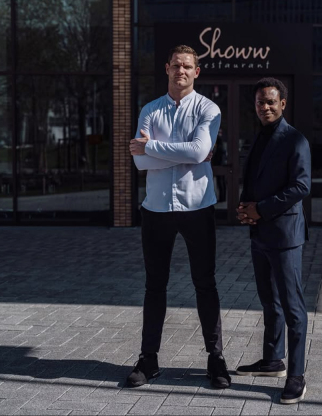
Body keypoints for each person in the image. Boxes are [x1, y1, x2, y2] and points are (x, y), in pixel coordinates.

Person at [127, 45, 230, 389]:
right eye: (176, 65)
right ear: (166, 68)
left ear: (196, 72)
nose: (181, 71)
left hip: (198, 208)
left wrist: (152, 148)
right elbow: (140, 163)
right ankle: (149, 360)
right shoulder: (150, 110)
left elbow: (199, 150)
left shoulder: (208, 108)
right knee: (154, 286)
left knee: (206, 284)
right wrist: (184, 155)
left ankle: (215, 359)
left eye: (188, 66)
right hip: (156, 210)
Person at [234, 77, 311, 404]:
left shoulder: (295, 140)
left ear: (282, 104)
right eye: (259, 103)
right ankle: (272, 359)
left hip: (284, 235)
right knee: (270, 301)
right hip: (260, 233)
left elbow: (301, 187)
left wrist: (260, 210)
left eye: (270, 102)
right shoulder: (261, 137)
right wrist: (245, 209)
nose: (263, 107)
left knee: (293, 307)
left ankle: (296, 375)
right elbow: (255, 179)